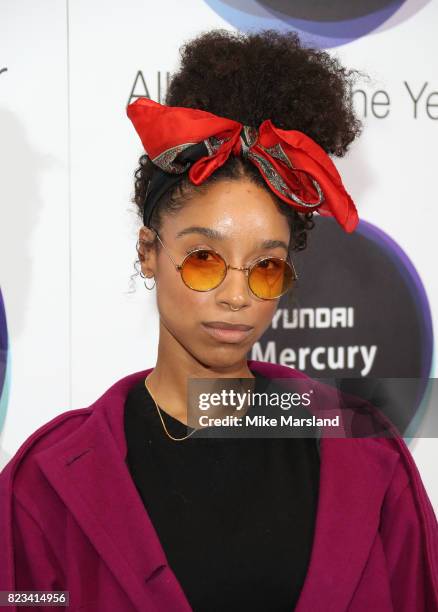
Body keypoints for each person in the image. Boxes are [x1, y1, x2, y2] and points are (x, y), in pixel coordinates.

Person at [1, 29, 437, 612]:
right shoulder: (49, 483)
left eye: (266, 266)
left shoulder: (370, 460)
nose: (238, 295)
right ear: (149, 252)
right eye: (205, 259)